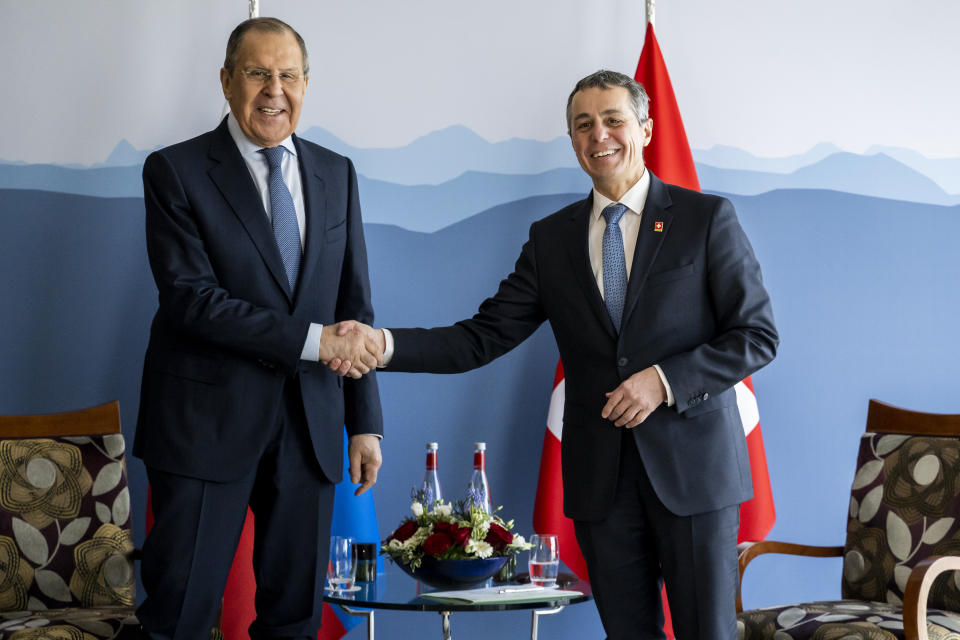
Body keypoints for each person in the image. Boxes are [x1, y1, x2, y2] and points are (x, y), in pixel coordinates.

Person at [336, 70, 778, 639]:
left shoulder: (706, 218)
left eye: (614, 120)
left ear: (644, 128)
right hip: (602, 482)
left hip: (695, 474)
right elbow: (481, 336)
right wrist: (382, 345)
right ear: (572, 140)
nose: (600, 136)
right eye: (583, 125)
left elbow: (756, 334)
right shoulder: (552, 240)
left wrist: (662, 381)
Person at [134, 17, 384, 640]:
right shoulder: (175, 171)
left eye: (288, 75)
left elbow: (355, 304)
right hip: (203, 427)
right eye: (257, 73)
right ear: (225, 81)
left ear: (306, 83)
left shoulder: (337, 172)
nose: (275, 90)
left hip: (312, 425)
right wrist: (313, 342)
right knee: (180, 615)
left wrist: (365, 421)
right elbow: (190, 300)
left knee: (296, 620)